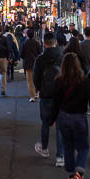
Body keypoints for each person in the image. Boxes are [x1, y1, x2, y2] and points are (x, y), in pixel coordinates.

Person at [48, 53, 90, 179]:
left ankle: (70, 176)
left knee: (68, 146)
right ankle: (79, 172)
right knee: (83, 147)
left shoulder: (59, 80)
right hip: (79, 117)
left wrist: (52, 119)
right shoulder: (84, 81)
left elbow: (55, 103)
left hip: (63, 116)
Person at [33, 32, 65, 167]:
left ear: (44, 43)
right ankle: (60, 157)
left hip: (46, 94)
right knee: (60, 125)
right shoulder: (63, 56)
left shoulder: (40, 59)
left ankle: (45, 149)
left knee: (45, 122)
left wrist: (39, 89)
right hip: (61, 94)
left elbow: (36, 77)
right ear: (55, 43)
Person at [21, 28, 42, 102]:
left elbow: (22, 54)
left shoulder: (25, 43)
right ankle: (37, 93)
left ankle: (32, 96)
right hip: (36, 63)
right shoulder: (37, 43)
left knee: (29, 81)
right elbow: (40, 52)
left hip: (28, 64)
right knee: (36, 79)